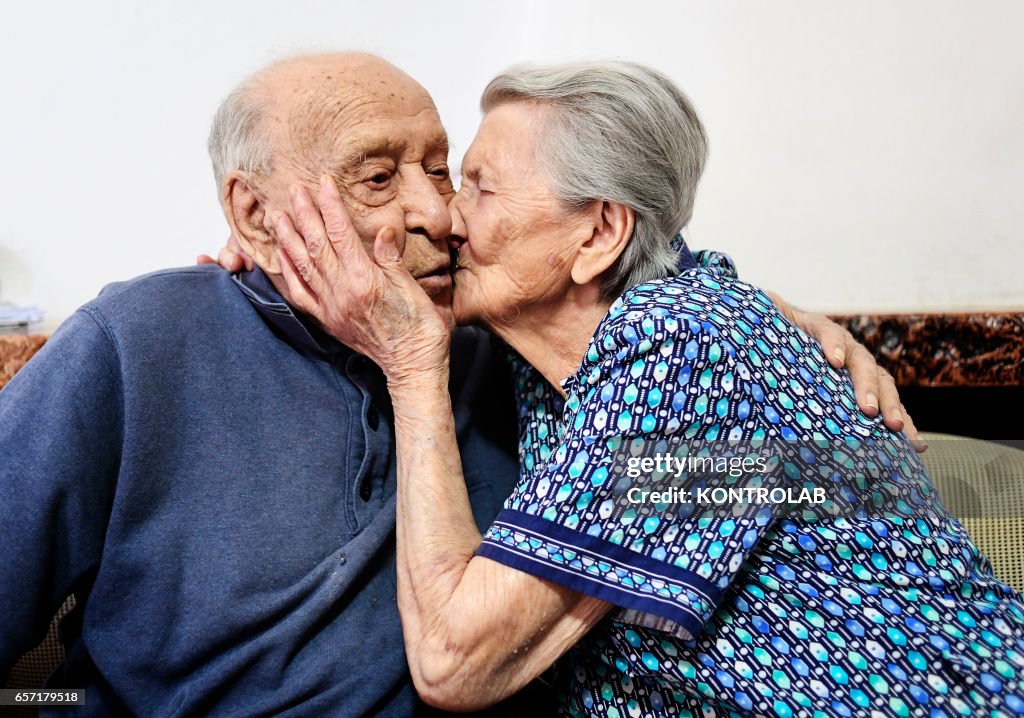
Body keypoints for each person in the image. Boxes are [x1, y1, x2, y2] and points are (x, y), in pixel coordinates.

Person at [1, 50, 912, 716]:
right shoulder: (135, 345)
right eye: (376, 176)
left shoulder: (520, 355)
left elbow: (654, 300)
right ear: (253, 209)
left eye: (447, 172)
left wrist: (791, 326)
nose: (436, 212)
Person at [272, 60, 1024, 716]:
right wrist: (274, 267)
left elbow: (452, 659)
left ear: (597, 236)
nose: (444, 216)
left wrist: (412, 367)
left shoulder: (678, 348)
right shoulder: (578, 345)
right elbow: (693, 268)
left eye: (481, 188)